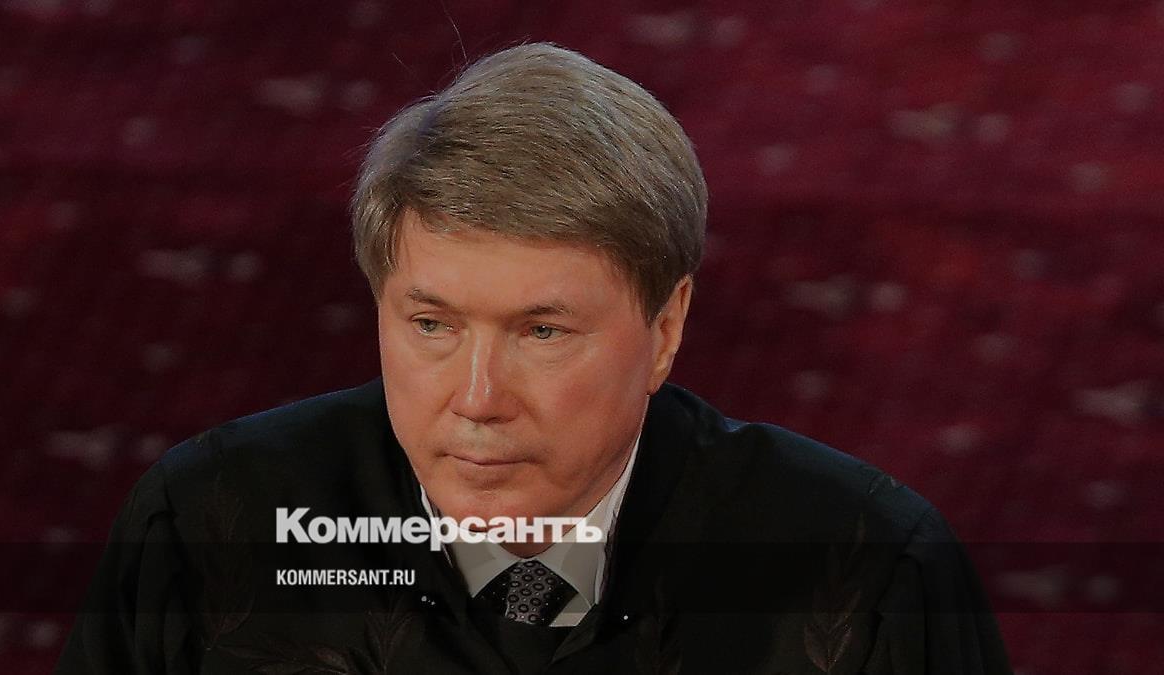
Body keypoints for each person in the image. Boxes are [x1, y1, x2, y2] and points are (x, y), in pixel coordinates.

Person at [56, 42, 1012, 674]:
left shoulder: (870, 572)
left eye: (541, 332)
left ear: (666, 328)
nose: (477, 399)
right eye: (432, 325)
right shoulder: (206, 527)